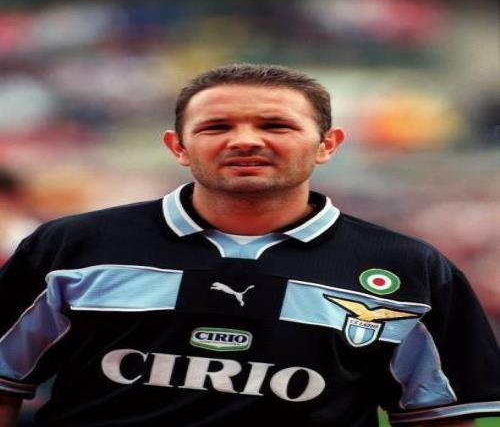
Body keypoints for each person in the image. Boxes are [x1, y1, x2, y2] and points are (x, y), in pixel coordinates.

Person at [0, 64, 499, 427]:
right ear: (178, 146)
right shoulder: (71, 246)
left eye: (275, 125)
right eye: (216, 126)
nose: (244, 141)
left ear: (327, 144)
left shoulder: (410, 268)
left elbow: (439, 415)